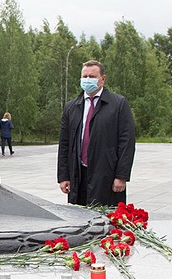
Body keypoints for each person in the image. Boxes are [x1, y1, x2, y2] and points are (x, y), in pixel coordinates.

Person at [57, 60, 136, 207]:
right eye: (84, 76)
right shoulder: (71, 107)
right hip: (78, 174)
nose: (87, 80)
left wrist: (121, 176)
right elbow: (65, 144)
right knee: (79, 219)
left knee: (106, 220)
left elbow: (127, 142)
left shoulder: (118, 104)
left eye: (92, 76)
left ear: (102, 79)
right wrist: (63, 176)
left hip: (106, 174)